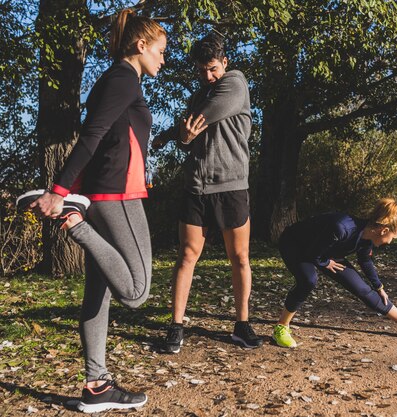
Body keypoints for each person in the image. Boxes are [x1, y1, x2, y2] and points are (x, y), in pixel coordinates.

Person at [16, 9, 166, 413]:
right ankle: (73, 224)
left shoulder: (112, 81)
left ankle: (96, 385)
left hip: (102, 194)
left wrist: (74, 191)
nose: (163, 59)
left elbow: (101, 141)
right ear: (140, 45)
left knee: (97, 293)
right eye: (160, 50)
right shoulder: (122, 79)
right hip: (119, 196)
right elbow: (92, 136)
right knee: (135, 292)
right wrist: (61, 194)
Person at [152, 32, 262, 352]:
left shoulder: (235, 83)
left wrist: (175, 135)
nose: (208, 75)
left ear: (225, 62)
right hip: (197, 187)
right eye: (202, 70)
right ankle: (176, 325)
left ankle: (242, 324)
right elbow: (189, 133)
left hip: (231, 186)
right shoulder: (200, 93)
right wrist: (177, 136)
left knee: (239, 257)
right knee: (187, 255)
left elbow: (198, 121)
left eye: (212, 68)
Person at [271, 198, 397, 348]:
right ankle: (281, 327)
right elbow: (313, 253)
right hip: (295, 244)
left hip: (325, 251)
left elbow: (364, 260)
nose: (391, 242)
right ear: (384, 230)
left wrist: (378, 286)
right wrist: (325, 262)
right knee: (308, 280)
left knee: (362, 289)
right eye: (394, 237)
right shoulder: (342, 228)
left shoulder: (366, 238)